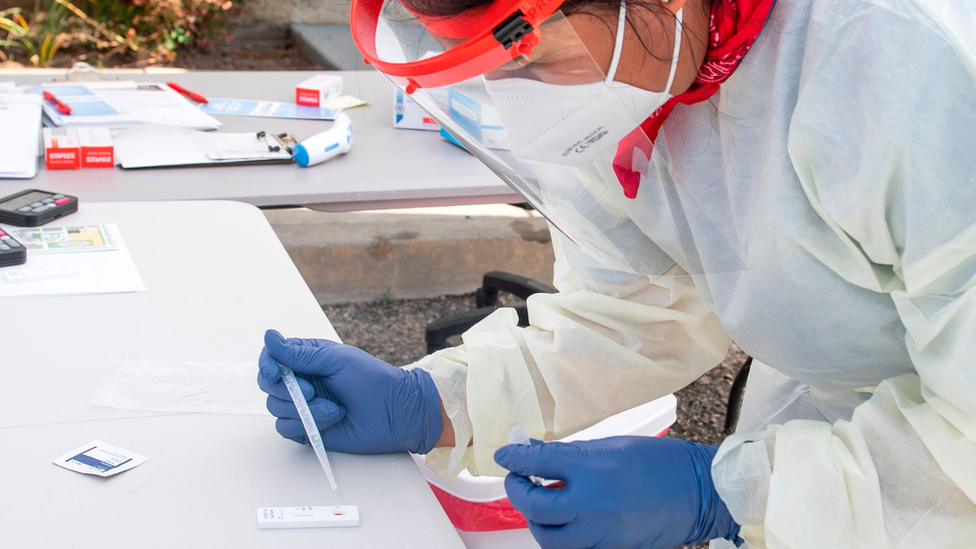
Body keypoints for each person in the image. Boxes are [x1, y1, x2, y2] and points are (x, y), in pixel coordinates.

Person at [257, 0, 976, 546]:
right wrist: (437, 400)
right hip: (841, 456)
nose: (520, 100)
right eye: (490, 70)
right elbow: (639, 306)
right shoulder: (645, 63)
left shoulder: (906, 64)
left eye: (530, 60)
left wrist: (731, 493)